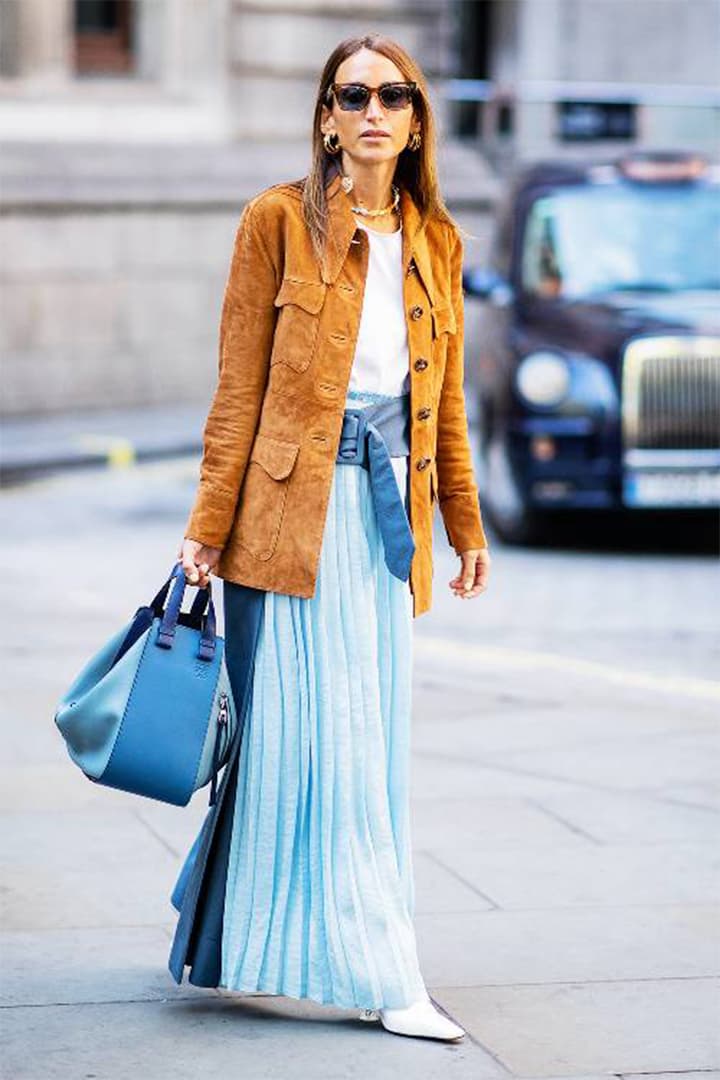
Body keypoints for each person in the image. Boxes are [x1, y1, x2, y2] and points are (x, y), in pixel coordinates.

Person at [171, 33, 491, 1043]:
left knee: (369, 752)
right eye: (353, 95)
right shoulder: (274, 221)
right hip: (284, 522)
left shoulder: (437, 241)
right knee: (312, 754)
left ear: (415, 120)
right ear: (324, 117)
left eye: (394, 95)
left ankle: (301, 947)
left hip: (384, 529)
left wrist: (465, 523)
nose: (373, 111)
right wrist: (205, 527)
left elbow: (445, 407)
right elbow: (238, 390)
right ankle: (384, 973)